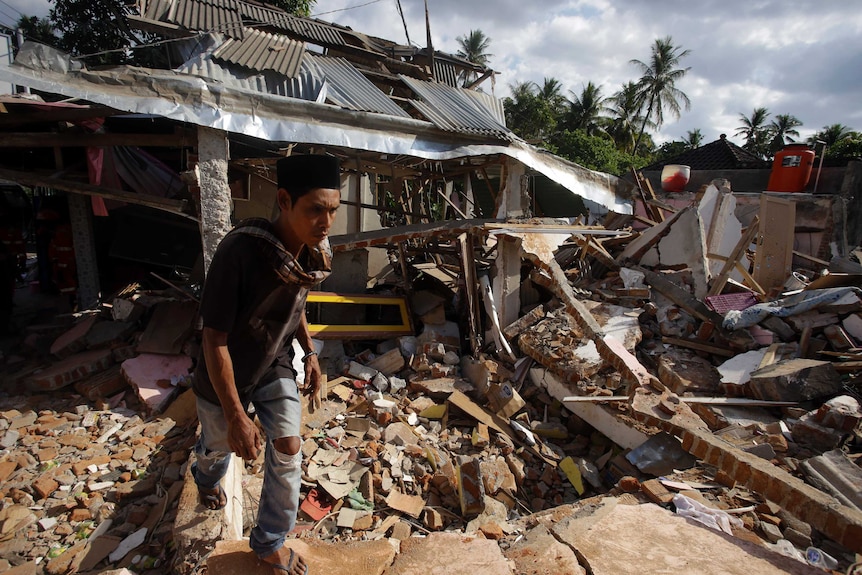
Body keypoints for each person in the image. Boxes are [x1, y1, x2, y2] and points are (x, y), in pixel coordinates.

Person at [192, 154, 341, 575]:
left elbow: (297, 305)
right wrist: (238, 415)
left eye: (333, 209)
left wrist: (309, 353)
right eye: (315, 209)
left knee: (289, 447)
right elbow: (214, 339)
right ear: (283, 200)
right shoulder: (239, 253)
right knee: (219, 449)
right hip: (225, 372)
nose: (326, 222)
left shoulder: (312, 255)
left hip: (273, 363)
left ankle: (270, 541)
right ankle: (203, 477)